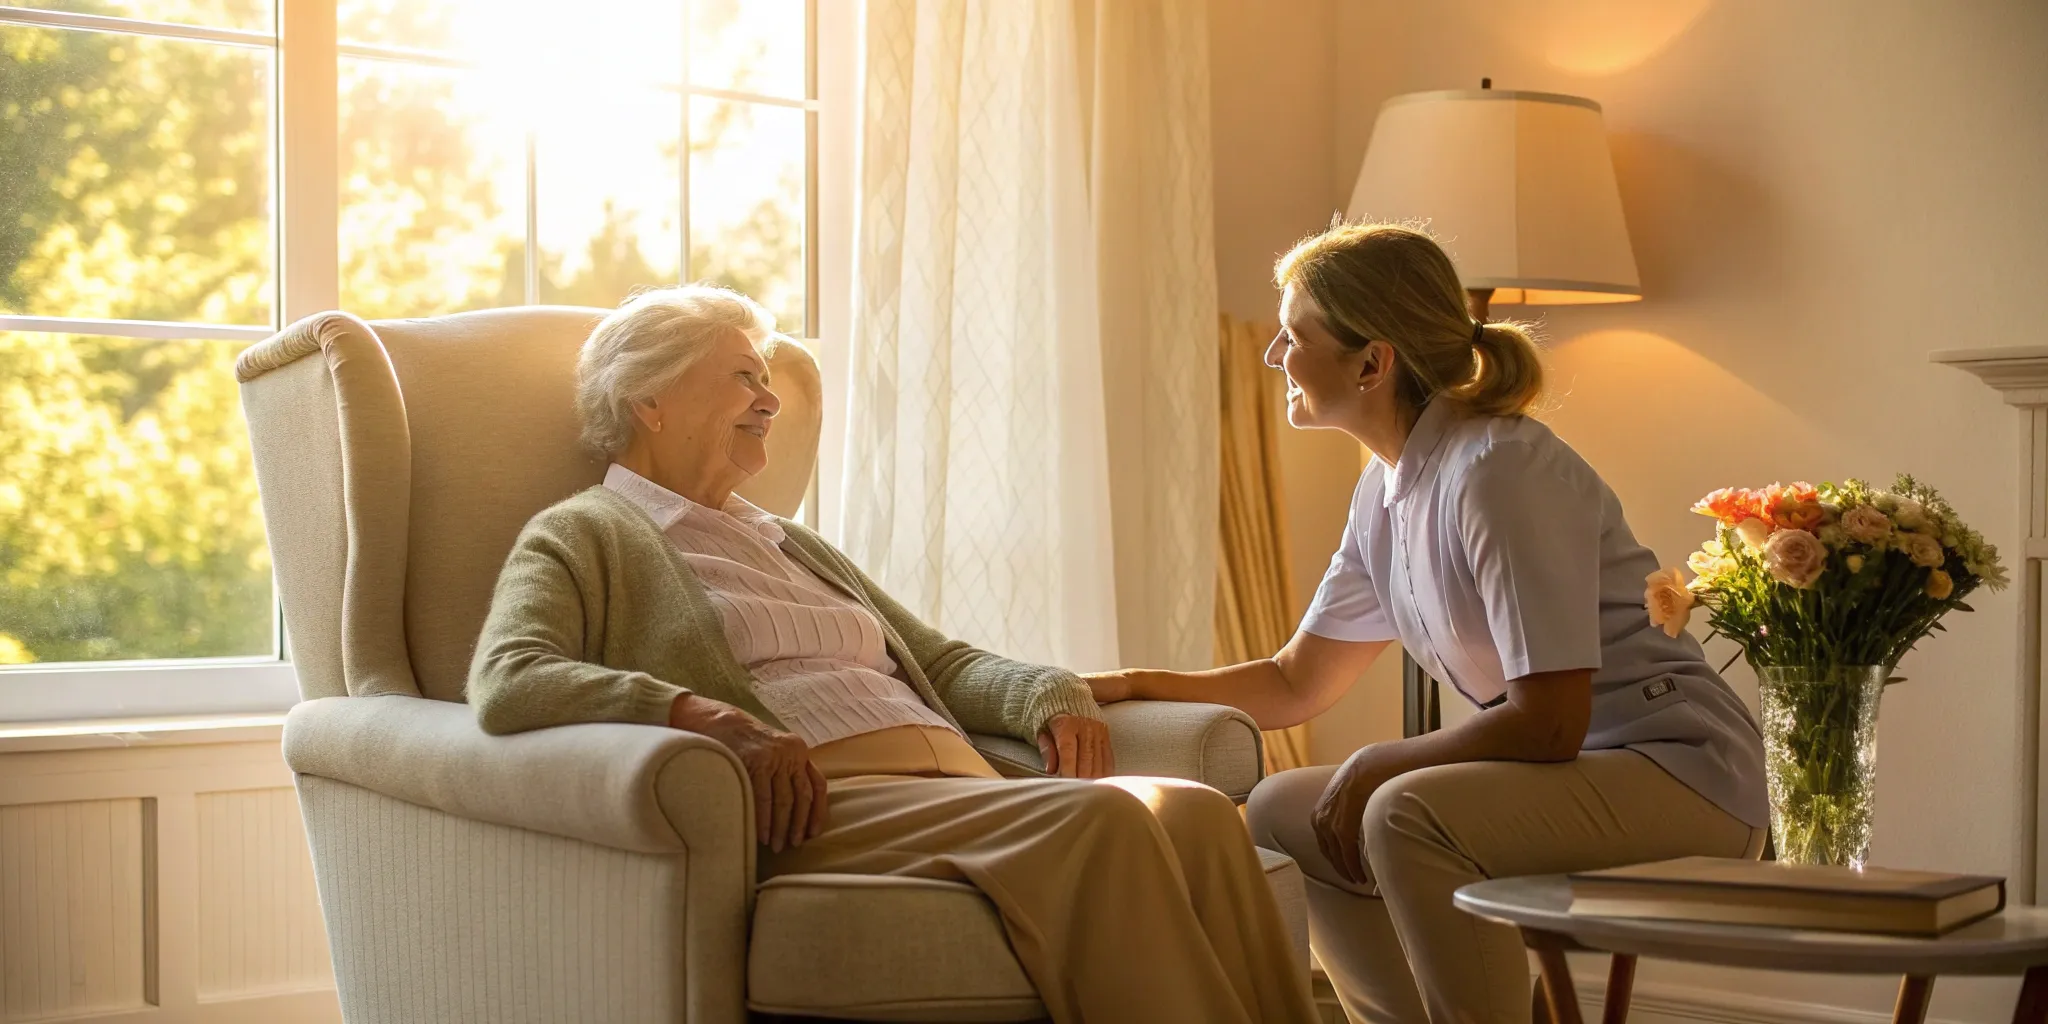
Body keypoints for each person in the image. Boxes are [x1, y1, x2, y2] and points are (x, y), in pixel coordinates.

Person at [466, 284, 1318, 1024]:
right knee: (1106, 818)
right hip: (827, 801)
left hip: (956, 781)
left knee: (1196, 811)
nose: (768, 398)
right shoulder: (588, 533)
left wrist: (1048, 694)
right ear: (650, 396)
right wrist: (706, 716)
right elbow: (510, 679)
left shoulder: (788, 540)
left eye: (768, 378)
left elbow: (940, 666)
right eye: (742, 375)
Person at [1087, 224, 1769, 1024]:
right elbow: (1294, 680)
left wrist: (1382, 760)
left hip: (1682, 774)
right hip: (1572, 770)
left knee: (1402, 810)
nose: (1274, 354)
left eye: (1294, 335)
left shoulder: (1499, 470)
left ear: (1373, 362)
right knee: (1280, 807)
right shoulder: (1382, 495)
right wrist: (1128, 683)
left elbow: (1549, 722)